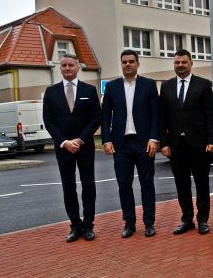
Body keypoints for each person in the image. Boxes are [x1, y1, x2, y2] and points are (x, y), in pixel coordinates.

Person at [43, 54, 101, 242]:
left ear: (78, 67)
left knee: (88, 186)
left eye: (71, 65)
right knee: (68, 187)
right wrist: (64, 142)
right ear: (60, 68)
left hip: (84, 147)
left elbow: (96, 118)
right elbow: (49, 121)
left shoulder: (90, 90)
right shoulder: (51, 92)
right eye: (64, 65)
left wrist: (80, 140)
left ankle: (89, 225)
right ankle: (75, 226)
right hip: (63, 148)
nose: (67, 68)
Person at [102, 50, 160, 238]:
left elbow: (155, 115)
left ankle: (149, 223)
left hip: (143, 143)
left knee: (147, 184)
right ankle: (129, 222)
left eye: (131, 61)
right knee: (124, 185)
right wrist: (107, 139)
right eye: (124, 62)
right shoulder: (112, 87)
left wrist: (154, 138)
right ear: (121, 64)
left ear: (137, 63)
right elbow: (105, 116)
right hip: (121, 144)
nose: (128, 64)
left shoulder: (149, 85)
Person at [159, 49, 213, 235]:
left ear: (191, 63)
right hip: (176, 146)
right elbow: (163, 118)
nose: (180, 65)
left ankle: (203, 220)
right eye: (177, 63)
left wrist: (211, 140)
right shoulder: (166, 87)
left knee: (202, 184)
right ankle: (187, 219)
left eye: (184, 62)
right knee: (181, 183)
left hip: (199, 144)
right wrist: (164, 143)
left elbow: (210, 115)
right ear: (174, 65)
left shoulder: (203, 84)